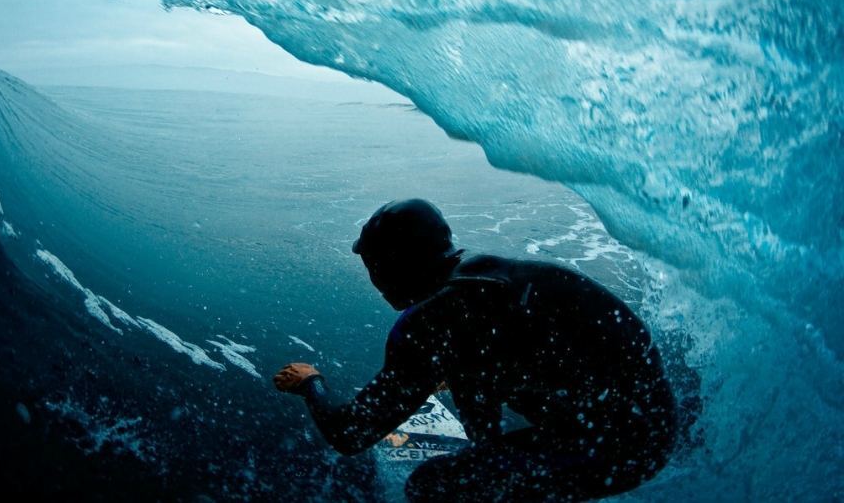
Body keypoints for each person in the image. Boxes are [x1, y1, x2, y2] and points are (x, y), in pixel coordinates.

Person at [274, 199, 678, 502]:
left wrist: (312, 382)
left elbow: (350, 434)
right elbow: (522, 346)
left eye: (375, 267)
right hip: (656, 426)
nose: (374, 281)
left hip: (619, 448)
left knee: (431, 487)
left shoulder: (430, 322)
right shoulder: (491, 276)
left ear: (397, 263)